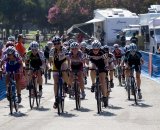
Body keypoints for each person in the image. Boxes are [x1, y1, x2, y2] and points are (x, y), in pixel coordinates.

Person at [87, 40, 109, 107]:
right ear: (92, 48)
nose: (95, 51)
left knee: (103, 80)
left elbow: (106, 61)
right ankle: (93, 84)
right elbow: (87, 61)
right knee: (92, 68)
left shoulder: (103, 52)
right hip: (93, 63)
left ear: (99, 48)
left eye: (97, 49)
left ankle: (105, 97)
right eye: (94, 49)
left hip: (102, 64)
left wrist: (107, 66)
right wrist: (86, 66)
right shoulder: (89, 52)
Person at [49, 35, 69, 109]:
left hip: (63, 62)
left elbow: (68, 59)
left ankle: (66, 84)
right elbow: (50, 61)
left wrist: (69, 67)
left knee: (64, 71)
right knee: (56, 82)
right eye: (55, 44)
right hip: (56, 64)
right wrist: (50, 67)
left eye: (58, 43)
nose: (57, 45)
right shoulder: (52, 50)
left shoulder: (64, 49)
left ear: (60, 43)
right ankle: (56, 98)